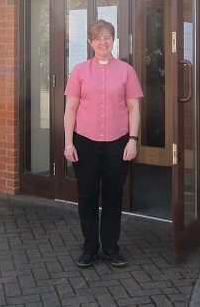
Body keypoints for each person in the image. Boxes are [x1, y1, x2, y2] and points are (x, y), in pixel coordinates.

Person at [63, 19, 143, 268]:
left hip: (117, 144)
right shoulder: (79, 70)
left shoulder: (126, 71)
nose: (103, 42)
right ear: (90, 43)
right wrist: (68, 143)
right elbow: (70, 109)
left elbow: (134, 108)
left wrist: (132, 140)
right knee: (87, 196)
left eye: (107, 36)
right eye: (98, 38)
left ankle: (110, 247)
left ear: (113, 40)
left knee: (112, 196)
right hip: (84, 143)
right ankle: (90, 247)